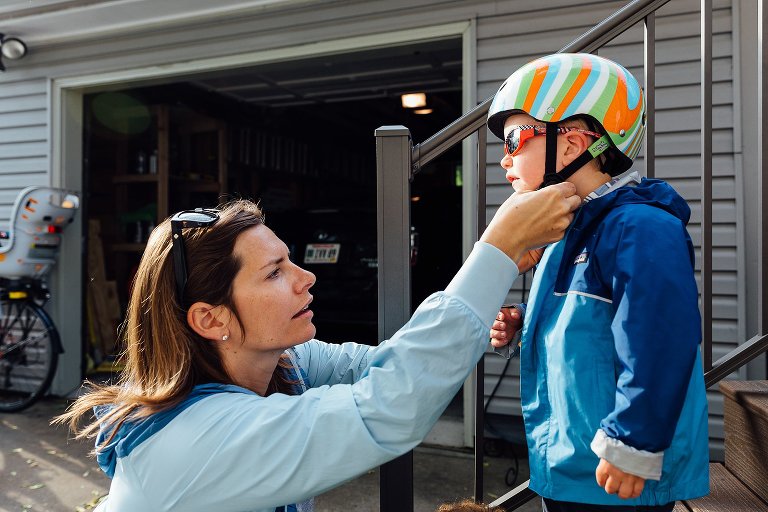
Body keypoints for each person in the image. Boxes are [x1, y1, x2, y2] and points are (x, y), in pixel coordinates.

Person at [55, 185, 580, 512]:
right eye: (275, 272)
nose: (307, 278)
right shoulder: (196, 438)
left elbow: (387, 368)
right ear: (210, 318)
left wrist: (493, 274)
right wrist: (495, 252)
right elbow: (390, 408)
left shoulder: (283, 365)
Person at [486, 53, 709, 511]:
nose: (506, 157)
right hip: (575, 464)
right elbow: (593, 321)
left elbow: (660, 334)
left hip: (619, 472)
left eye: (515, 138)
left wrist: (634, 441)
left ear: (570, 145)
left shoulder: (639, 227)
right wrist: (524, 324)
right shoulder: (567, 231)